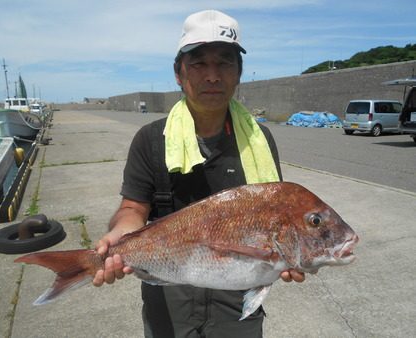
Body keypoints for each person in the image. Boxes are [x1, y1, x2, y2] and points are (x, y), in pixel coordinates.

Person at [93, 9, 305, 337]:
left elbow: (274, 218)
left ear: (239, 73)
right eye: (199, 63)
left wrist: (291, 253)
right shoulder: (150, 140)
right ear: (179, 74)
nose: (212, 75)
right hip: (168, 292)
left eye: (224, 62)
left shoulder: (261, 140)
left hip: (238, 296)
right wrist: (120, 237)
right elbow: (133, 209)